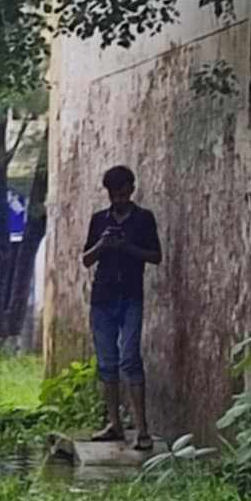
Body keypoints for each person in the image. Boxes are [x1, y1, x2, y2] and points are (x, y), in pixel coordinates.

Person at [80, 164, 163, 450]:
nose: (119, 200)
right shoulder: (99, 220)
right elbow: (86, 259)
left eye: (123, 194)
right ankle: (114, 424)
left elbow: (156, 256)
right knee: (107, 364)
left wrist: (127, 247)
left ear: (132, 189)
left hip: (130, 297)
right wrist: (103, 244)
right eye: (114, 195)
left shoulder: (144, 219)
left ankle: (142, 429)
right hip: (102, 298)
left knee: (130, 358)